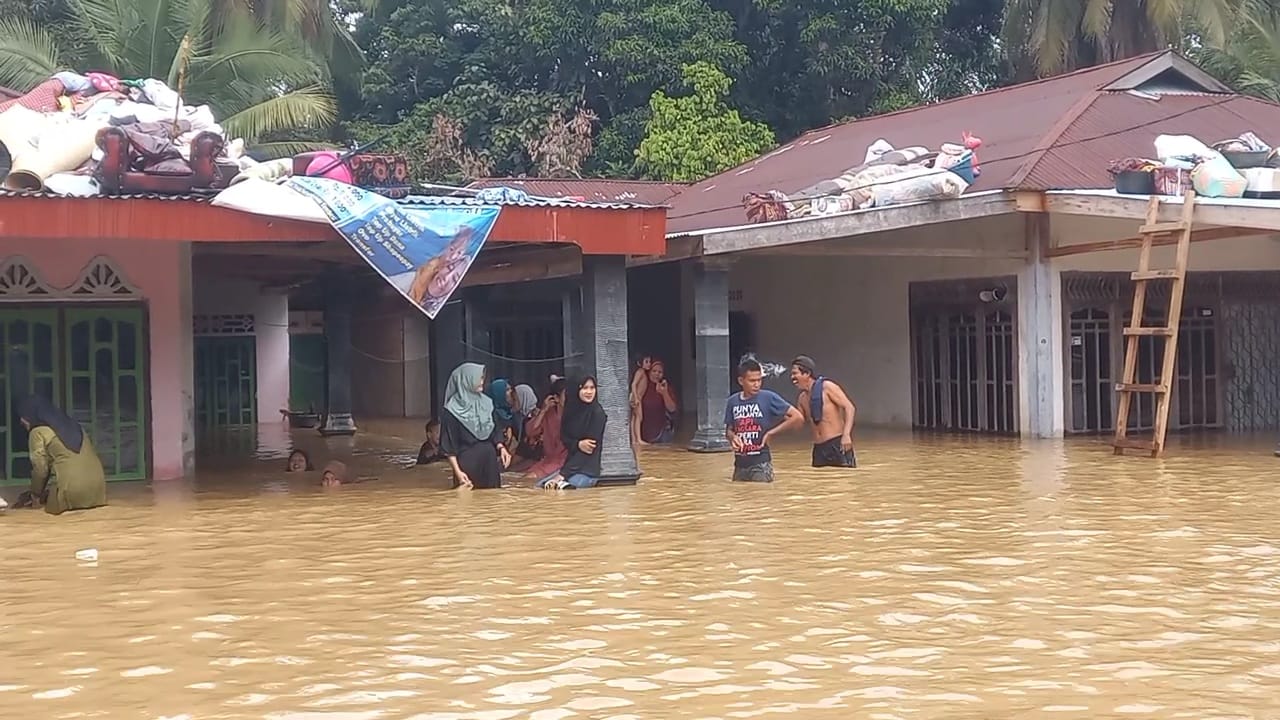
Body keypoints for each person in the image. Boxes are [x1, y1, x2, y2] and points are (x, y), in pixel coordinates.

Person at [18, 395, 107, 515]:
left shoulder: (37, 432)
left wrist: (35, 494)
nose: (21, 421)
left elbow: (41, 469)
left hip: (72, 493)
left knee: (44, 508)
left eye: (23, 416)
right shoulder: (75, 426)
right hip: (98, 492)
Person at [725, 358, 804, 482]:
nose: (757, 384)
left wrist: (771, 433)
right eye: (752, 381)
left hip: (761, 464)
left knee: (761, 497)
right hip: (739, 466)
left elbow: (797, 417)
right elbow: (729, 430)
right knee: (739, 498)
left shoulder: (768, 397)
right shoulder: (732, 401)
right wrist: (733, 438)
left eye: (759, 380)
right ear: (741, 381)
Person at [439, 362, 512, 489]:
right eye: (479, 378)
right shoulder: (451, 410)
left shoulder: (487, 403)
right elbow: (449, 445)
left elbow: (495, 429)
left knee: (492, 501)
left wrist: (501, 447)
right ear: (467, 379)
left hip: (489, 462)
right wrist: (458, 472)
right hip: (467, 464)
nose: (482, 381)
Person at [539, 375, 607, 490]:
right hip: (569, 468)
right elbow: (564, 437)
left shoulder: (597, 414)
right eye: (585, 388)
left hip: (587, 471)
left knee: (564, 490)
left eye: (592, 388)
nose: (589, 392)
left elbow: (587, 451)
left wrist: (562, 475)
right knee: (540, 486)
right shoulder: (570, 410)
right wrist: (578, 444)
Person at [790, 355, 858, 468]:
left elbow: (849, 407)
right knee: (819, 483)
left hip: (837, 444)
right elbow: (798, 423)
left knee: (844, 481)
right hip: (818, 449)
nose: (792, 377)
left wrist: (846, 435)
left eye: (795, 373)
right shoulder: (802, 398)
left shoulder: (828, 387)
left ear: (806, 374)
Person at [522, 378, 567, 478]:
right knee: (523, 478)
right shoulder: (548, 413)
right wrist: (543, 410)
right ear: (556, 398)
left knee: (531, 477)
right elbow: (531, 432)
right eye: (566, 395)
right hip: (548, 460)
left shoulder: (575, 416)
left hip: (565, 462)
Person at [630, 357, 678, 444]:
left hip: (661, 434)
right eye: (654, 371)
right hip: (644, 433)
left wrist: (664, 393)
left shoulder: (665, 387)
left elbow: (672, 409)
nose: (657, 374)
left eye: (660, 372)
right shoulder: (643, 384)